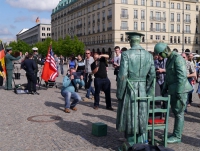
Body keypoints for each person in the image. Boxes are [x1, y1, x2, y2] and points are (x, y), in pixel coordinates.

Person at [116, 32, 155, 148]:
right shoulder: (149, 55)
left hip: (130, 88)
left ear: (130, 41)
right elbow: (152, 74)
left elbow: (122, 76)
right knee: (141, 113)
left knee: (130, 112)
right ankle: (141, 139)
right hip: (142, 87)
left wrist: (120, 93)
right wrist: (146, 87)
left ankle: (131, 140)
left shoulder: (126, 54)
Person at [154, 42, 193, 143]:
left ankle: (177, 136)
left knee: (179, 113)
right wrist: (165, 88)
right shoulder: (169, 60)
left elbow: (182, 76)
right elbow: (169, 76)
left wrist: (179, 92)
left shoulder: (177, 58)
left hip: (181, 90)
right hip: (173, 89)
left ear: (164, 51)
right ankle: (175, 133)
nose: (158, 56)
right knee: (176, 113)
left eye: (159, 54)